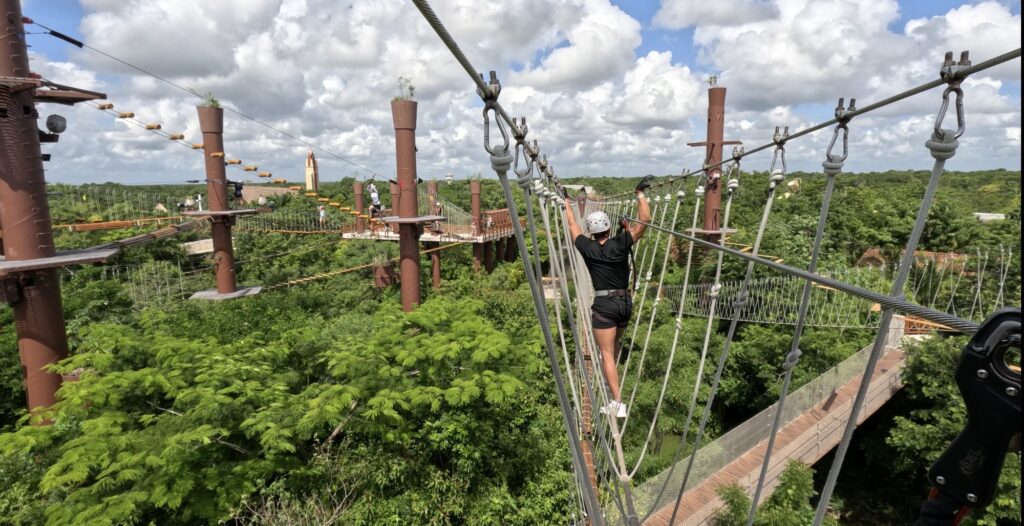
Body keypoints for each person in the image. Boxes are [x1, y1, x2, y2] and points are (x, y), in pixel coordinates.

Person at [565, 176, 653, 418]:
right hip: (625, 304)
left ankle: (617, 402)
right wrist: (639, 194)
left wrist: (566, 204)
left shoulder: (587, 247)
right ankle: (610, 379)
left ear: (591, 233)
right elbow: (645, 219)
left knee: (605, 353)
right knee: (612, 348)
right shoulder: (621, 242)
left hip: (604, 306)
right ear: (609, 228)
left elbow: (572, 227)